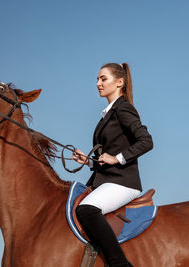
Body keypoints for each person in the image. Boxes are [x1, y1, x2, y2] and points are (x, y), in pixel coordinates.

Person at [73, 62, 153, 267]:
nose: (98, 83)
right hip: (108, 180)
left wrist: (117, 158)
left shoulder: (123, 109)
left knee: (86, 209)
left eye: (103, 79)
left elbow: (146, 141)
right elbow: (108, 154)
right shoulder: (106, 115)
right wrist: (89, 161)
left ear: (119, 82)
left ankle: (120, 264)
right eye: (97, 79)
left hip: (123, 182)